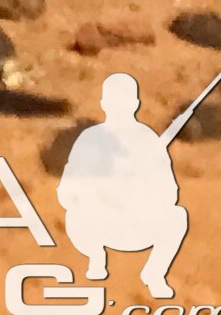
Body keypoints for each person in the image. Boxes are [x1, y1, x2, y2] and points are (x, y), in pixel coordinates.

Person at [58, 69, 198, 298]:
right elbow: (66, 192)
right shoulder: (90, 138)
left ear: (135, 103)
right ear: (104, 103)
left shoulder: (149, 141)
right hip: (97, 225)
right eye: (114, 101)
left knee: (177, 216)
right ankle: (96, 259)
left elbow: (170, 194)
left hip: (136, 224)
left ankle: (154, 273)